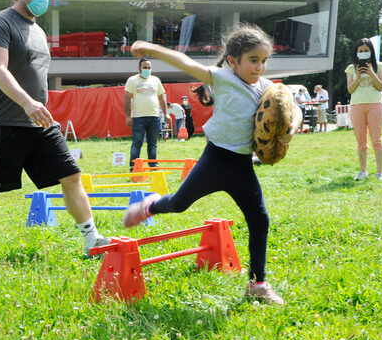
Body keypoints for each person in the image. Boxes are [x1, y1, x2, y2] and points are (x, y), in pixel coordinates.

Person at [122, 24, 302, 305]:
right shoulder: (223, 78)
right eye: (253, 60)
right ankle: (150, 206)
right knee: (180, 204)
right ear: (233, 61)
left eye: (264, 61)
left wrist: (291, 130)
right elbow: (187, 63)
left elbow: (294, 109)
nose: (259, 67)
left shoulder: (268, 88)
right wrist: (152, 49)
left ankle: (258, 284)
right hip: (215, 158)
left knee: (260, 219)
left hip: (243, 166)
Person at [0, 0, 109, 264]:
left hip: (40, 121)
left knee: (72, 175)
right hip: (6, 121)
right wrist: (26, 102)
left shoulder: (37, 30)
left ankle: (92, 241)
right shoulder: (0, 23)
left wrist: (38, 106)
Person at [345, 38, 382, 180]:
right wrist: (358, 76)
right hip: (357, 106)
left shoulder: (380, 66)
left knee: (377, 139)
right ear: (356, 53)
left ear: (371, 51)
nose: (363, 53)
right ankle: (363, 171)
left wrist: (370, 73)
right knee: (361, 142)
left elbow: (381, 86)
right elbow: (350, 90)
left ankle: (379, 172)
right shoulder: (351, 68)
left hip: (375, 105)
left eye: (366, 51)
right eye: (360, 51)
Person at [124, 57, 171, 171]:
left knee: (153, 143)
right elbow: (127, 99)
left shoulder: (156, 80)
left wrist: (166, 114)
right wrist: (127, 116)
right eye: (145, 67)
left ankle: (153, 164)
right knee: (137, 142)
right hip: (138, 117)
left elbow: (161, 98)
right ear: (139, 68)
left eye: (149, 68)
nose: (147, 69)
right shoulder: (132, 80)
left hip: (154, 116)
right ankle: (134, 166)